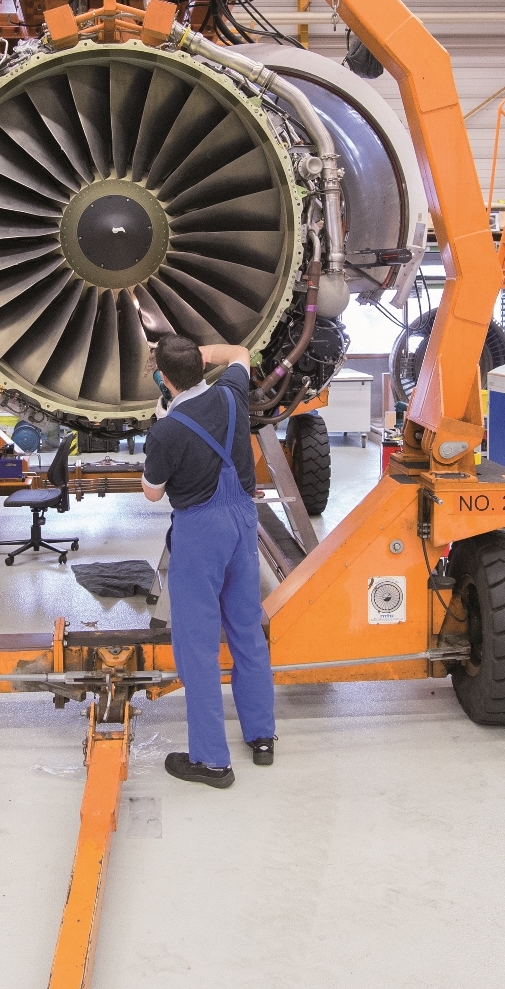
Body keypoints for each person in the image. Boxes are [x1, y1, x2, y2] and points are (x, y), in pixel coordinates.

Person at [141, 334, 276, 788]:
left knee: (196, 646)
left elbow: (153, 491)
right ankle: (261, 736)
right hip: (242, 521)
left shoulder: (165, 431)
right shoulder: (232, 391)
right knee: (246, 630)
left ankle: (212, 761)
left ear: (162, 378)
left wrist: (162, 425)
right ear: (200, 366)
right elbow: (239, 354)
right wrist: (201, 353)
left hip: (200, 531)